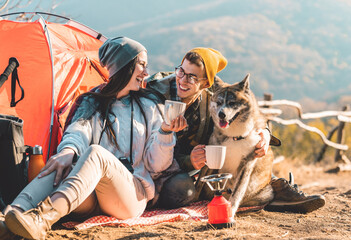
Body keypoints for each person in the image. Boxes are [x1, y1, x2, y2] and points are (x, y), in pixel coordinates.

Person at [0, 37, 187, 240]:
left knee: (96, 153)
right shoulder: (91, 102)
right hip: (89, 196)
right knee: (59, 164)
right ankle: (10, 216)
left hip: (131, 195)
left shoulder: (150, 106)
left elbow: (157, 166)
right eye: (141, 65)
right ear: (124, 66)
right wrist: (67, 152)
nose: (146, 73)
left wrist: (165, 133)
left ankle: (42, 219)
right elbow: (77, 133)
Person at [146, 47, 325, 213]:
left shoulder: (215, 98)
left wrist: (265, 132)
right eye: (181, 71)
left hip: (195, 167)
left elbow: (249, 110)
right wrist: (188, 161)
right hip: (159, 164)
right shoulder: (156, 94)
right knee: (183, 191)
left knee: (247, 155)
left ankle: (275, 189)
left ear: (207, 83)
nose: (183, 80)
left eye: (192, 77)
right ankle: (270, 194)